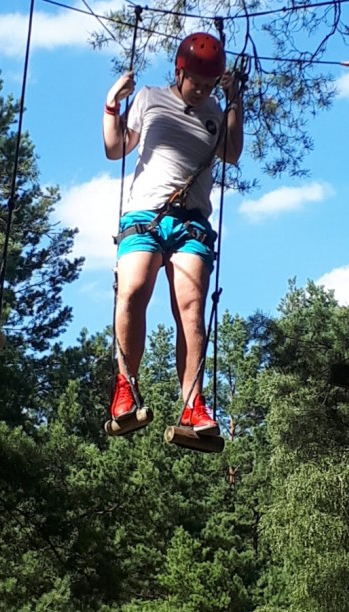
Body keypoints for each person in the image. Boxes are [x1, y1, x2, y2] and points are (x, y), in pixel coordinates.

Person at [103, 32, 244, 433]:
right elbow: (116, 148)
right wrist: (114, 101)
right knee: (131, 291)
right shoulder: (149, 98)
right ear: (179, 72)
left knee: (191, 312)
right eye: (194, 82)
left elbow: (231, 153)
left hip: (192, 224)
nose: (200, 91)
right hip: (146, 215)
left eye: (208, 85)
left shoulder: (216, 111)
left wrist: (235, 102)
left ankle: (192, 404)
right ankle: (125, 387)